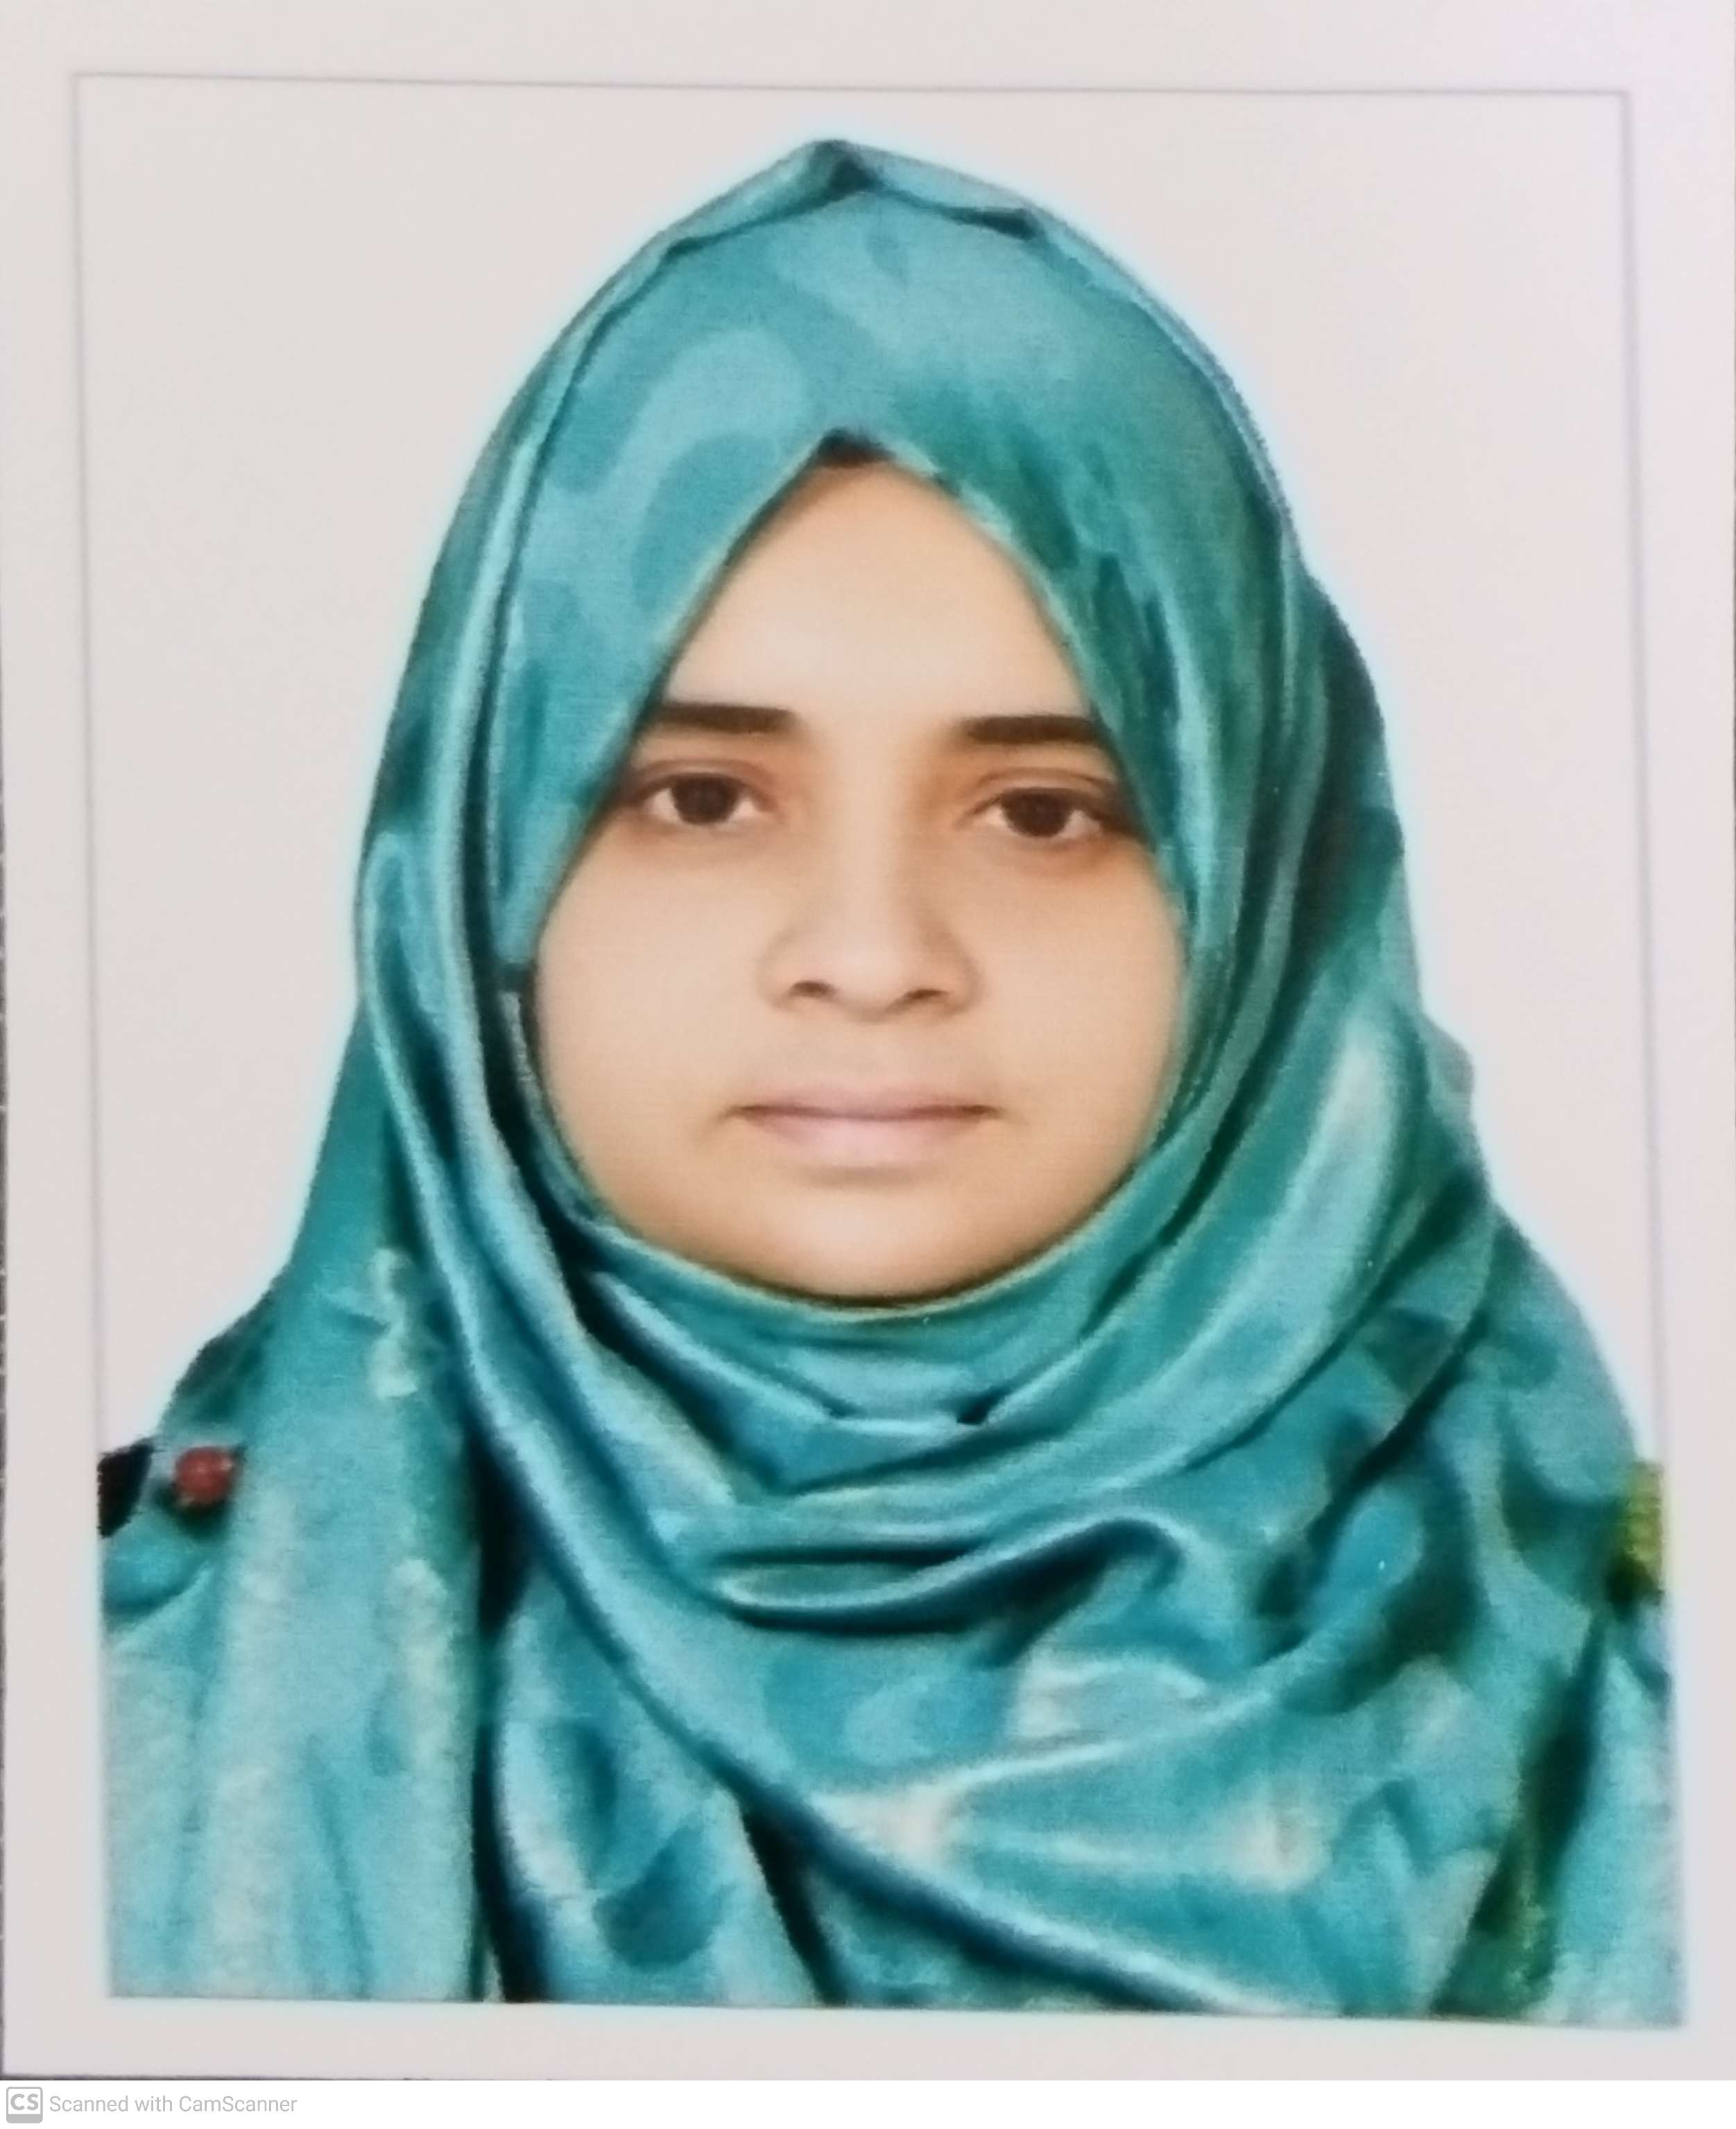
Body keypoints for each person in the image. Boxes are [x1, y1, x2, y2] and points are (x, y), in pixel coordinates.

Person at [100, 138, 1676, 2018]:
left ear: (1266, 887)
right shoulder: (106, 1694)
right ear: (480, 880)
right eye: (702, 799)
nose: (869, 952)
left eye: (1044, 812)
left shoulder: (1648, 1707)